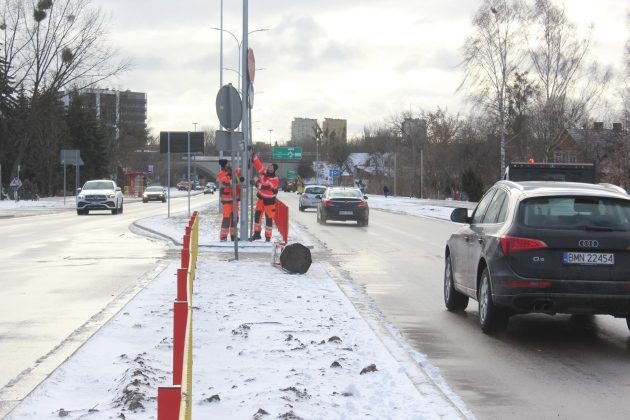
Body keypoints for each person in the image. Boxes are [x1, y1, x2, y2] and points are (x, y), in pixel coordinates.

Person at [251, 152, 279, 242]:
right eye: (269, 166)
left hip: (269, 202)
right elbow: (258, 166)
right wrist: (254, 157)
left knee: (268, 219)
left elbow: (265, 187)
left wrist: (256, 183)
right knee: (257, 216)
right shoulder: (263, 172)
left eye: (271, 167)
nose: (269, 167)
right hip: (261, 199)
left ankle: (268, 237)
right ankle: (257, 234)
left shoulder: (275, 179)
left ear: (273, 170)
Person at [217, 159, 243, 241]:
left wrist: (246, 166)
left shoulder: (233, 171)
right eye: (228, 163)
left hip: (235, 200)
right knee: (226, 218)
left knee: (235, 219)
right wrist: (237, 180)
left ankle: (233, 236)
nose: (229, 164)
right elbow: (227, 183)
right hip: (227, 201)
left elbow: (241, 171)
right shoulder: (221, 174)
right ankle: (223, 237)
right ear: (224, 165)